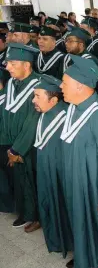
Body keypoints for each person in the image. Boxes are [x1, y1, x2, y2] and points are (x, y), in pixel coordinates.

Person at [60, 55, 98, 268]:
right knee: (81, 223)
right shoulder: (74, 107)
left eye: (64, 83)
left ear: (80, 86)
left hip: (94, 186)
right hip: (77, 182)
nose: (61, 86)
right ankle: (86, 257)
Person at [0, 43, 41, 230]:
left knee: (30, 180)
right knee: (18, 179)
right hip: (11, 143)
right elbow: (6, 113)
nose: (7, 67)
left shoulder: (38, 86)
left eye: (12, 63)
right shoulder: (11, 83)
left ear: (27, 65)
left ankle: (34, 216)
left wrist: (17, 149)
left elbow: (33, 122)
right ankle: (23, 211)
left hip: (29, 146)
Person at [32, 74, 73, 258]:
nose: (33, 100)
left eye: (37, 96)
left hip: (62, 175)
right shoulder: (45, 113)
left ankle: (71, 245)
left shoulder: (66, 117)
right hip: (46, 170)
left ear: (54, 99)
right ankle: (56, 240)